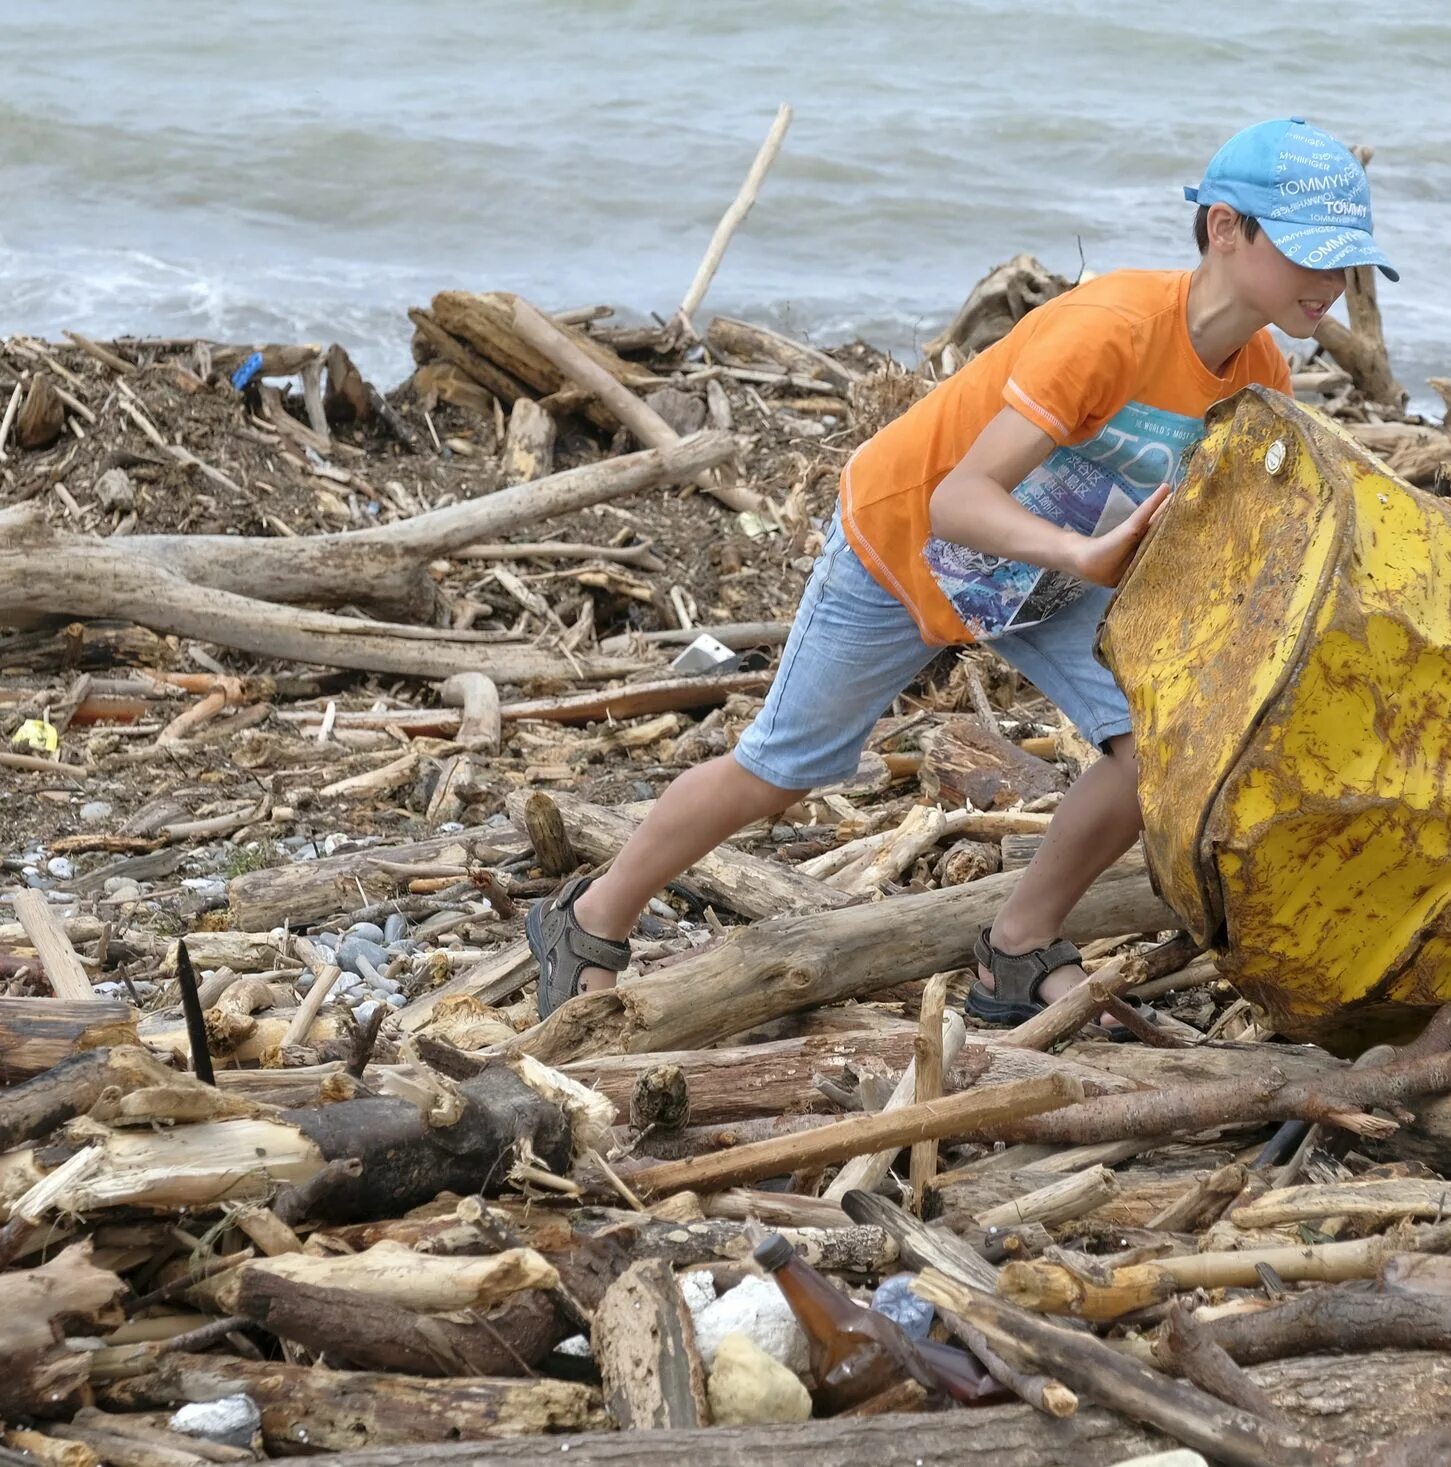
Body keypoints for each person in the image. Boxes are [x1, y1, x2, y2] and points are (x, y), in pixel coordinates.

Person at [527, 117, 1398, 1024]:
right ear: (1227, 229)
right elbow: (958, 499)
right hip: (908, 539)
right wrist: (1081, 555)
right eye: (1312, 254)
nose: (1332, 284)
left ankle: (1014, 951)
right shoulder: (1111, 331)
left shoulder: (1256, 373)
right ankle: (589, 919)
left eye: (1347, 261)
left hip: (1043, 578)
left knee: (1153, 753)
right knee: (782, 770)